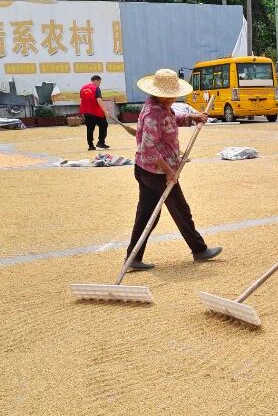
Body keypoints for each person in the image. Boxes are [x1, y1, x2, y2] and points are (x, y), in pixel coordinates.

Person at [126, 69, 222, 272]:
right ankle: (199, 249)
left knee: (147, 214)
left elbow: (172, 120)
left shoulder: (162, 107)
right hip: (156, 173)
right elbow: (148, 148)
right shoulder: (152, 113)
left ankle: (133, 257)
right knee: (180, 210)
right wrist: (169, 171)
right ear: (157, 93)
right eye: (167, 96)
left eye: (173, 96)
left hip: (148, 170)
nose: (171, 99)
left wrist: (192, 117)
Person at [79, 75, 110, 151]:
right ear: (96, 81)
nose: (99, 84)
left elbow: (82, 100)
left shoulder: (83, 88)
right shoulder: (96, 88)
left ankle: (91, 146)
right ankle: (101, 142)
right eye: (99, 82)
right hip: (96, 112)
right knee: (104, 125)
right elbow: (99, 100)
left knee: (89, 129)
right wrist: (105, 111)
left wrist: (83, 112)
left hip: (87, 112)